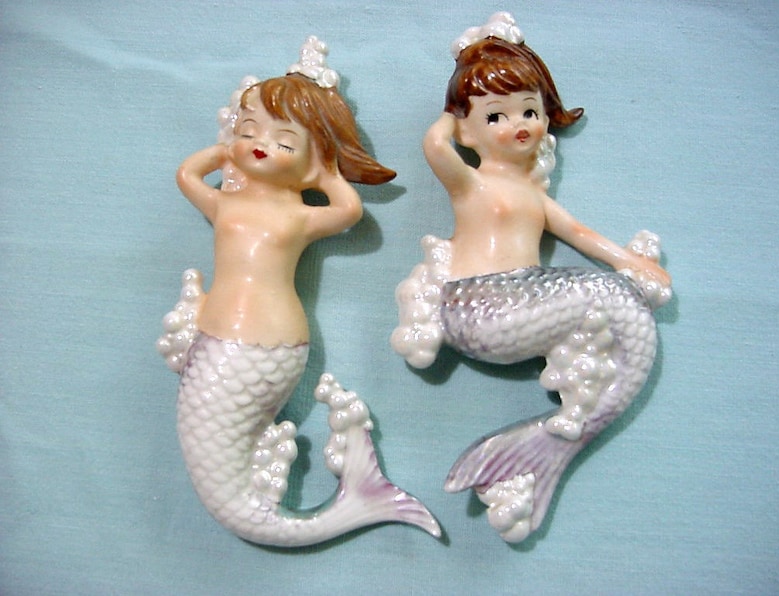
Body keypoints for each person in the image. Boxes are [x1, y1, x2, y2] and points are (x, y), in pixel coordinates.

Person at [392, 13, 672, 543]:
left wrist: (633, 264)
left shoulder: (534, 196)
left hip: (524, 300)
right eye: (495, 116)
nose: (518, 124)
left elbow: (582, 234)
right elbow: (435, 147)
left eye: (529, 109)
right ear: (467, 129)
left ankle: (561, 436)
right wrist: (457, 107)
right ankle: (565, 427)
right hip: (477, 307)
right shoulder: (470, 184)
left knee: (618, 300)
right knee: (608, 294)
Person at [159, 37, 439, 547]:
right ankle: (323, 504)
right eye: (249, 131)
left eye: (285, 142)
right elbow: (186, 174)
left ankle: (307, 502)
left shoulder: (299, 215)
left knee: (216, 435)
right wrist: (226, 150)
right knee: (211, 444)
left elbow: (349, 210)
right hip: (216, 339)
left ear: (307, 162)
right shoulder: (225, 205)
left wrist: (323, 172)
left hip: (271, 346)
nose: (261, 145)